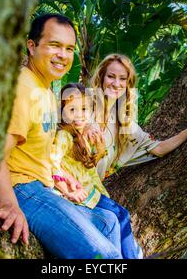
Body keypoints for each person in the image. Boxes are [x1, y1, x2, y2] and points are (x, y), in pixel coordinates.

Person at [0, 14, 123, 259]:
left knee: (109, 222)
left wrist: (62, 178)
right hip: (19, 188)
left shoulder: (47, 90)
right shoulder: (22, 89)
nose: (63, 55)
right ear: (32, 46)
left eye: (69, 48)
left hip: (42, 185)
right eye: (54, 45)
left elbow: (38, 151)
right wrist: (9, 205)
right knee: (106, 258)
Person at [88, 53, 187, 182]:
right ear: (101, 78)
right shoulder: (81, 104)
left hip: (87, 193)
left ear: (128, 85)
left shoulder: (126, 127)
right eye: (111, 76)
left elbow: (159, 149)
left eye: (123, 79)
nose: (116, 84)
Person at [51, 83, 143, 259]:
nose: (79, 115)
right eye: (72, 110)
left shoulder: (80, 135)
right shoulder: (64, 136)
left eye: (84, 109)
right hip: (83, 194)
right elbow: (52, 162)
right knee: (121, 217)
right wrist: (66, 189)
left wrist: (99, 148)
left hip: (93, 191)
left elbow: (88, 164)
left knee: (119, 216)